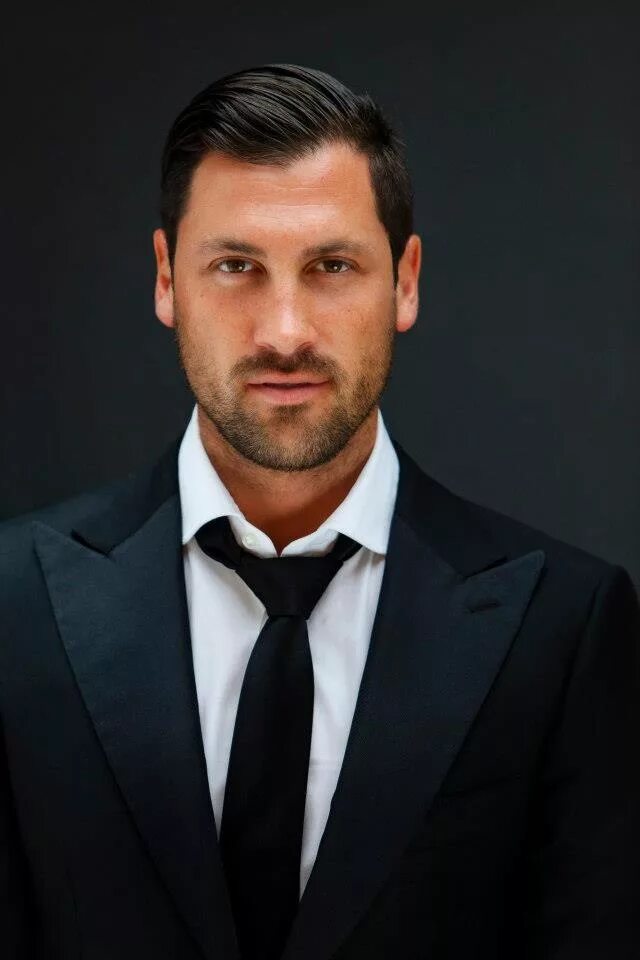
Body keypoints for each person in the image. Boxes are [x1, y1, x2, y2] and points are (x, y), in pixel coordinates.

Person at [1, 63, 639, 960]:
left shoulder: (565, 626)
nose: (285, 332)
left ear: (405, 282)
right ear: (167, 280)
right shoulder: (13, 605)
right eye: (235, 267)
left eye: (332, 266)